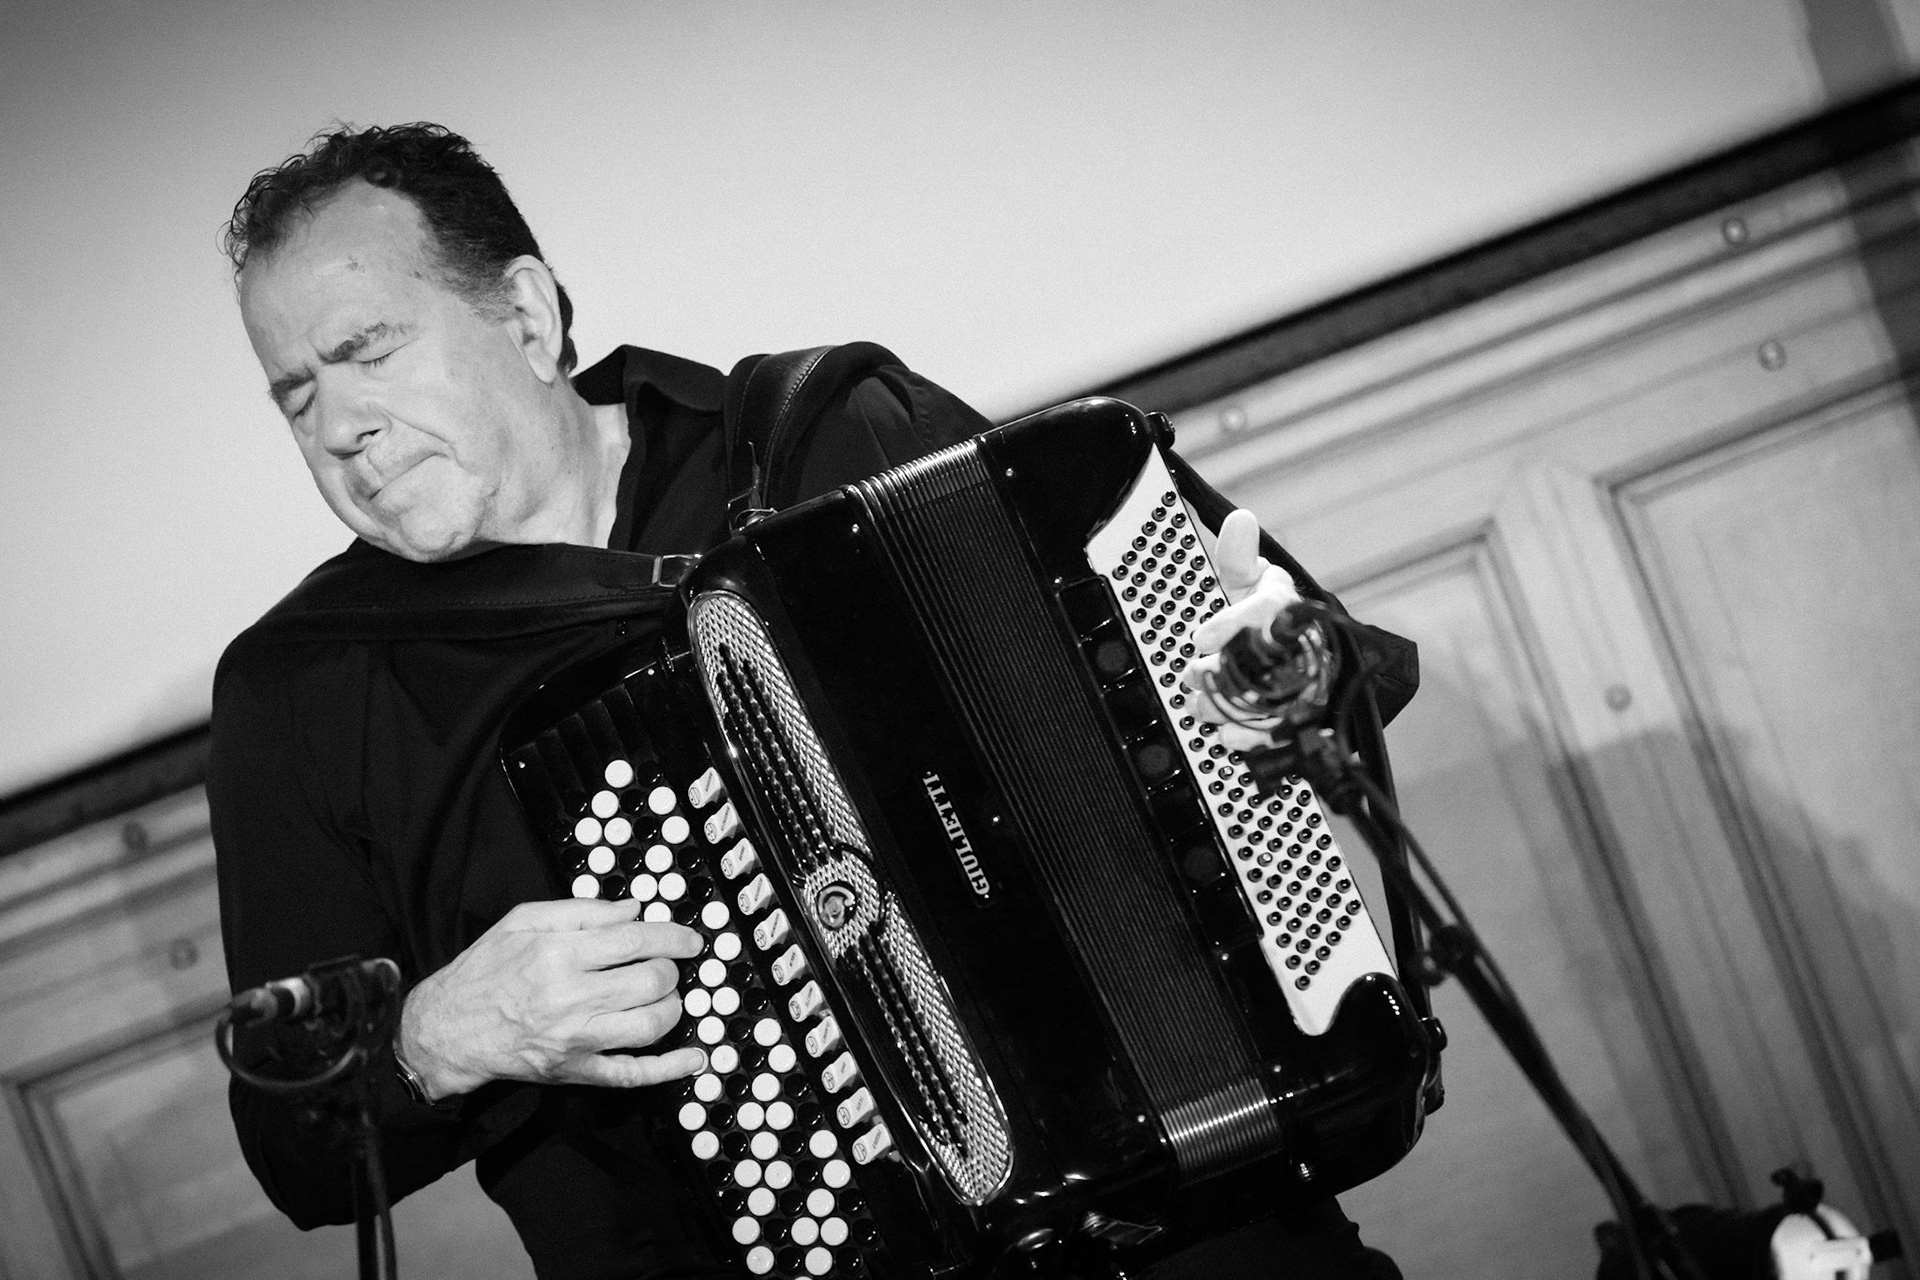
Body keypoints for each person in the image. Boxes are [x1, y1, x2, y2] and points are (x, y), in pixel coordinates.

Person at [211, 122, 1408, 1278]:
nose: (342, 428)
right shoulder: (305, 692)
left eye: (368, 350)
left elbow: (1337, 670)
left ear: (524, 314)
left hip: (1185, 1200)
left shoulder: (830, 435)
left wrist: (1256, 685)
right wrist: (438, 1037)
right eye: (295, 395)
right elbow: (296, 1148)